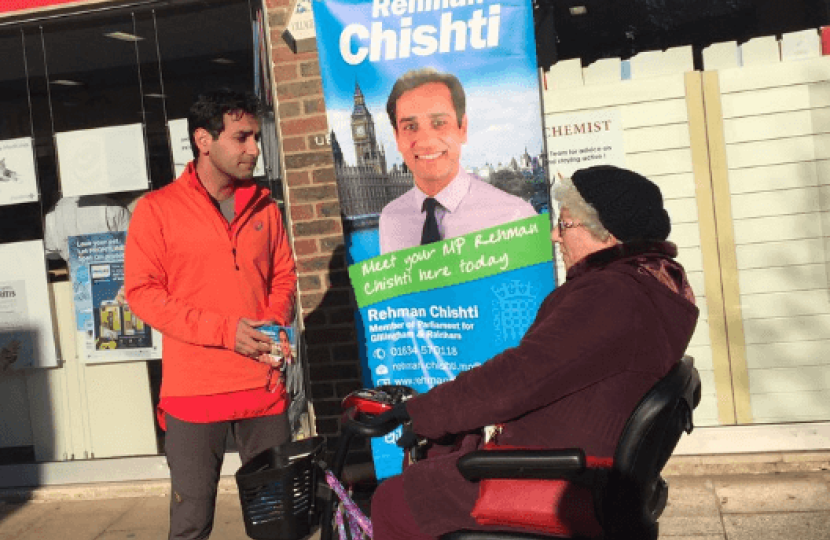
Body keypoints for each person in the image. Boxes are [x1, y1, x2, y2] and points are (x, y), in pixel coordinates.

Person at [370, 165, 699, 539]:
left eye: (566, 224)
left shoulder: (609, 296)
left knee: (395, 500)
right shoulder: (649, 287)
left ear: (607, 234)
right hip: (590, 471)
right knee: (439, 463)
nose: (556, 236)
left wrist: (418, 411)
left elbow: (515, 379)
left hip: (563, 482)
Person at [124, 89, 297, 540]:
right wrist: (227, 332)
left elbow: (284, 275)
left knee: (277, 520)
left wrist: (272, 325)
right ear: (204, 140)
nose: (254, 149)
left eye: (256, 137)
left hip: (262, 387)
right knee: (191, 522)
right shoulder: (156, 210)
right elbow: (143, 294)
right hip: (193, 393)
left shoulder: (263, 205)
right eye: (242, 138)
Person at [378, 68, 536, 254]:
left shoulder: (515, 216)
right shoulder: (390, 219)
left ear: (463, 129)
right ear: (397, 138)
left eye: (439, 123)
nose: (426, 141)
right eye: (410, 127)